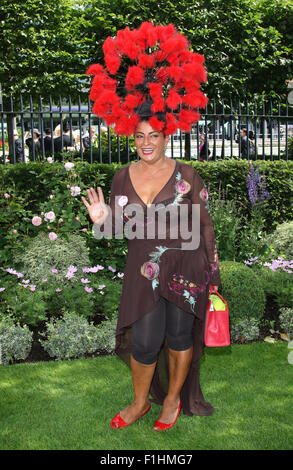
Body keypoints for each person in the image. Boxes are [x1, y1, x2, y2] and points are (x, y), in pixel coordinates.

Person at [82, 22, 220, 431]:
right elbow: (120, 230)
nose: (146, 143)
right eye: (139, 136)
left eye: (154, 135)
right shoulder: (122, 178)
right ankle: (140, 401)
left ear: (167, 136)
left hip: (185, 271)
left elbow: (205, 228)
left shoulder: (189, 175)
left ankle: (173, 400)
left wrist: (211, 276)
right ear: (131, 135)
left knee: (179, 338)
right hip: (144, 272)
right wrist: (104, 221)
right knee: (144, 341)